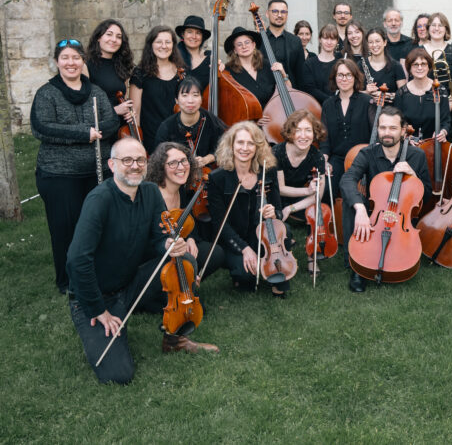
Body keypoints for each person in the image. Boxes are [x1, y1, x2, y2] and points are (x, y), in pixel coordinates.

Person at [66, 138, 218, 385]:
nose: (135, 166)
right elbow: (76, 260)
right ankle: (104, 321)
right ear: (112, 165)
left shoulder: (149, 192)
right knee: (118, 375)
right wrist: (98, 310)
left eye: (139, 160)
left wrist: (168, 245)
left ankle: (174, 339)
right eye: (127, 160)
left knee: (184, 260)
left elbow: (159, 238)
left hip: (130, 283)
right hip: (96, 296)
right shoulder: (99, 200)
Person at [32, 38, 119, 294]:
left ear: (83, 61)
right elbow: (42, 127)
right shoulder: (46, 93)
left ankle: (96, 274)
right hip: (59, 175)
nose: (71, 63)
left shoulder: (96, 92)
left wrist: (97, 131)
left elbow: (111, 122)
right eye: (65, 58)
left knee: (97, 226)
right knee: (65, 229)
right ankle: (67, 281)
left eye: (76, 58)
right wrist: (85, 133)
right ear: (57, 62)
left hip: (96, 171)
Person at [340, 107, 432, 292]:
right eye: (383, 128)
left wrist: (413, 175)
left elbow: (427, 194)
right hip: (375, 212)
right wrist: (360, 209)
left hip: (402, 217)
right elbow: (347, 179)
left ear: (403, 130)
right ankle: (356, 265)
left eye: (392, 128)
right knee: (351, 204)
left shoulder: (417, 155)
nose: (387, 133)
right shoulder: (367, 153)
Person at [207, 121, 291, 297]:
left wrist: (273, 213)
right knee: (246, 277)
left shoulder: (267, 171)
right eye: (240, 142)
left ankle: (274, 266)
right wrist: (244, 249)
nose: (245, 148)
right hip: (234, 238)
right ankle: (243, 269)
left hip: (262, 237)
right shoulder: (217, 178)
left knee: (286, 230)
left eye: (250, 143)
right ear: (231, 145)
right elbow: (220, 225)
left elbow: (278, 211)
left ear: (257, 147)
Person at [144, 141, 225, 283]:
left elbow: (187, 217)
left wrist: (190, 239)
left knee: (215, 253)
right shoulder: (152, 195)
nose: (181, 167)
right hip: (156, 255)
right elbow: (149, 241)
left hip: (178, 245)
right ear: (161, 167)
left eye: (183, 161)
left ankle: (188, 281)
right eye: (173, 163)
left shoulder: (180, 189)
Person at [272, 110, 329, 273]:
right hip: (277, 196)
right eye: (298, 130)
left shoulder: (317, 157)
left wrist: (291, 209)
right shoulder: (277, 152)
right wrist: (306, 191)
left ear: (315, 133)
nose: (303, 136)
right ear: (290, 133)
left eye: (308, 130)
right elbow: (280, 189)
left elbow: (318, 195)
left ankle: (312, 256)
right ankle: (280, 253)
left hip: (299, 200)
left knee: (316, 211)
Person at [129, 26, 186, 153]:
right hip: (151, 138)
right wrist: (138, 142)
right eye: (159, 42)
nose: (163, 46)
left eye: (168, 42)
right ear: (151, 45)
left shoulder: (181, 71)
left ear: (173, 45)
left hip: (178, 137)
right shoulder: (140, 73)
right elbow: (135, 112)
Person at [153, 76, 225, 174]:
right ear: (176, 100)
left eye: (195, 95)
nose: (190, 100)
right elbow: (159, 159)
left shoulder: (212, 122)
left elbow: (223, 149)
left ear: (201, 99)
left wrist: (206, 159)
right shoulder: (166, 127)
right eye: (185, 95)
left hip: (205, 175)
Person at [320, 59, 375, 183]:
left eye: (348, 75)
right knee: (327, 189)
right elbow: (324, 139)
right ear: (334, 78)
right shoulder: (328, 104)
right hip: (337, 159)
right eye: (340, 75)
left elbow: (375, 134)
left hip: (362, 159)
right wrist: (324, 161)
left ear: (355, 77)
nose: (344, 79)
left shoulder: (367, 101)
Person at [394, 48, 452, 142]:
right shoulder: (401, 93)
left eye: (423, 64)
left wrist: (443, 132)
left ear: (429, 66)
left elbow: (446, 120)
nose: (420, 68)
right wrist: (406, 137)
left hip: (434, 143)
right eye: (415, 64)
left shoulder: (440, 90)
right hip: (409, 144)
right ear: (409, 68)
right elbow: (398, 122)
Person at [84, 18, 134, 117]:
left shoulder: (122, 65)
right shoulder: (86, 66)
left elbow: (123, 98)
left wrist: (129, 112)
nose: (114, 40)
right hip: (101, 124)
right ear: (98, 37)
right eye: (109, 34)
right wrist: (115, 110)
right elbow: (85, 108)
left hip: (121, 124)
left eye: (118, 37)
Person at [223, 26, 278, 108]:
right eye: (239, 44)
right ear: (235, 50)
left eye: (247, 42)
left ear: (253, 45)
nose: (244, 46)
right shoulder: (228, 71)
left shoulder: (268, 65)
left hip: (273, 113)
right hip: (245, 115)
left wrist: (283, 74)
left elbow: (287, 89)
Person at [421, 12, 452, 107]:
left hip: (448, 104)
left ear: (446, 29)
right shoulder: (419, 51)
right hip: (422, 102)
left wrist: (450, 105)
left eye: (440, 25)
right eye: (433, 25)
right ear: (428, 28)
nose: (437, 28)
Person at [260, 0, 305, 89]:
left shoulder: (295, 41)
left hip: (289, 92)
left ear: (287, 15)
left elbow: (300, 74)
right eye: (275, 11)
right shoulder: (258, 39)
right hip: (263, 92)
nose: (279, 15)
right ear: (267, 14)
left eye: (283, 12)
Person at [301, 24, 340, 104]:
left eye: (332, 39)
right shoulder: (309, 64)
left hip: (338, 107)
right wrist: (330, 100)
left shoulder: (341, 64)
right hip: (315, 107)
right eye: (326, 38)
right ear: (320, 39)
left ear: (337, 41)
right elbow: (310, 89)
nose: (329, 42)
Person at [363, 27, 407, 94]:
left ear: (385, 42)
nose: (374, 45)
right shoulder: (361, 65)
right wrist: (366, 92)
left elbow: (404, 94)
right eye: (370, 42)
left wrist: (387, 95)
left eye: (377, 41)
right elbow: (353, 94)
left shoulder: (396, 66)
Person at [175, 15, 212, 87]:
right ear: (183, 34)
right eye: (189, 32)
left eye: (198, 33)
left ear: (202, 37)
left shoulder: (210, 58)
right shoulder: (174, 57)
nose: (194, 36)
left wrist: (221, 68)